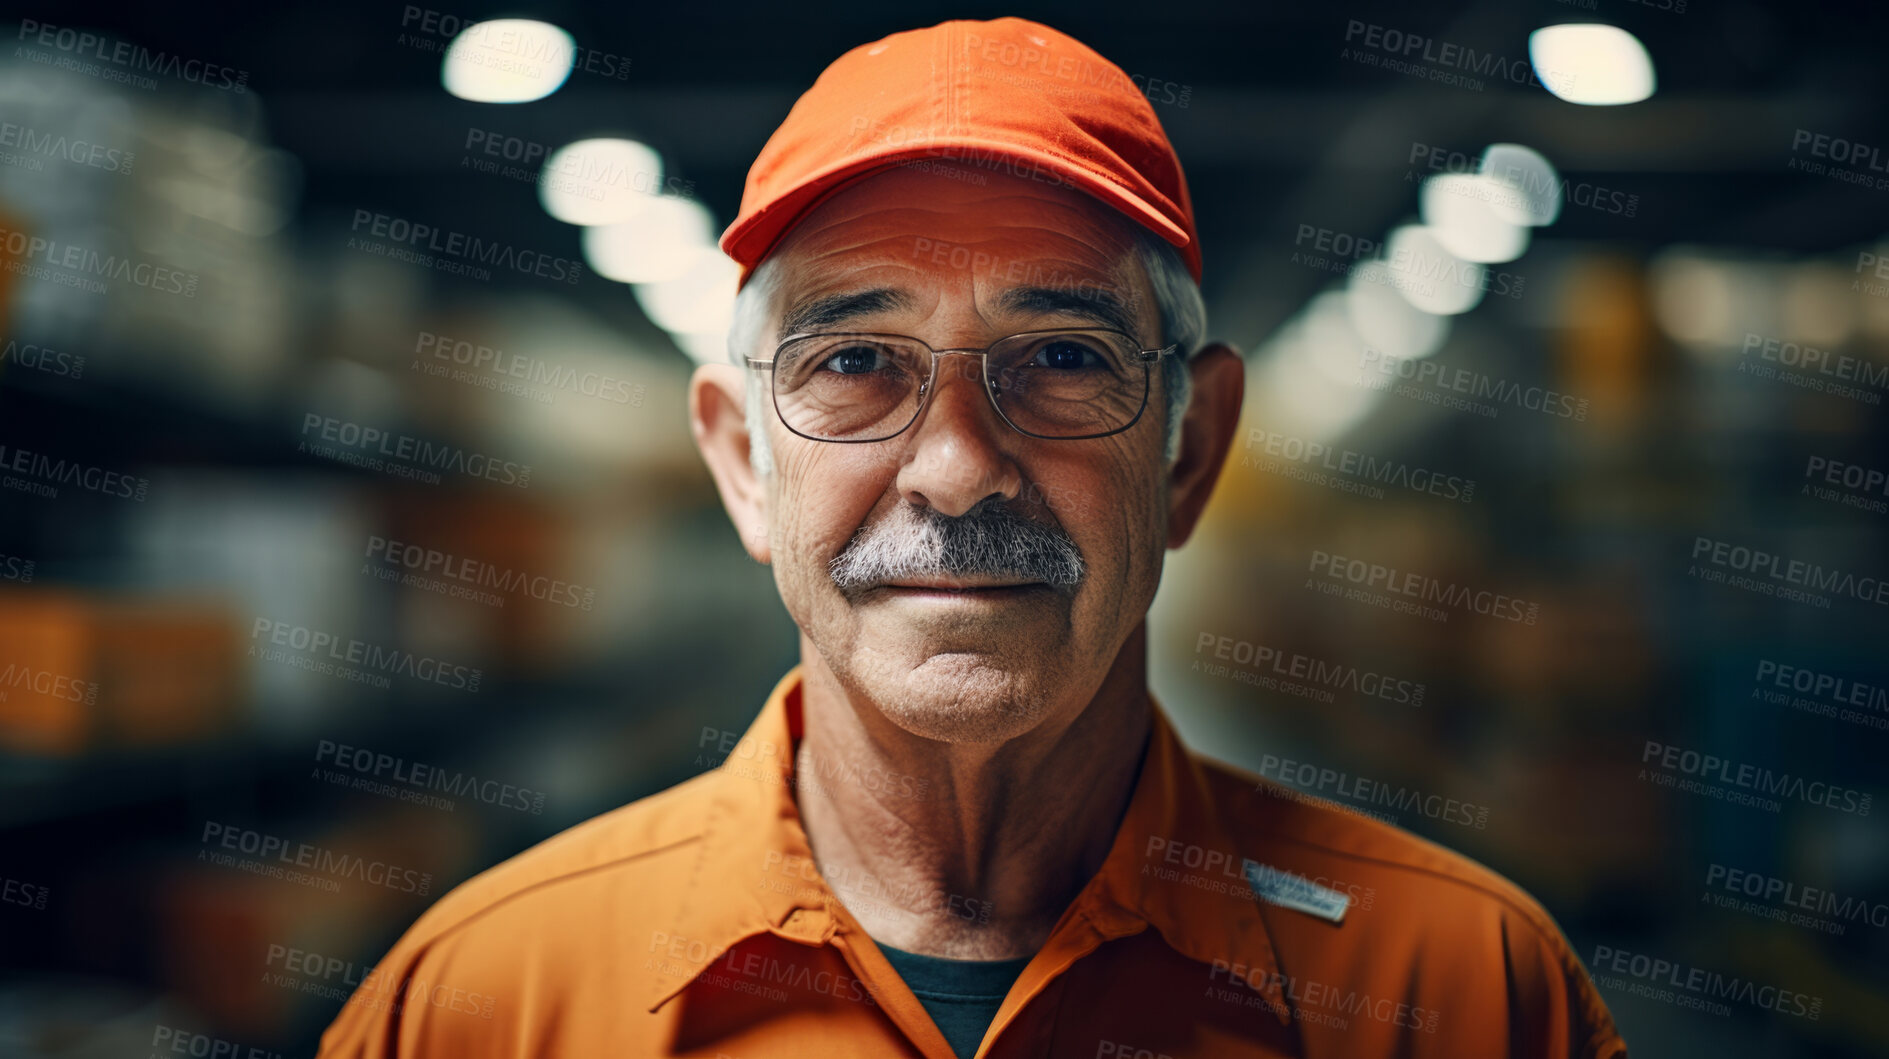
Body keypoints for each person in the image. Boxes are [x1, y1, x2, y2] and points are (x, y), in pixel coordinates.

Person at [319, 17, 1627, 1058]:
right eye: (853, 363)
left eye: (1061, 357)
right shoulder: (477, 1008)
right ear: (740, 464)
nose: (954, 469)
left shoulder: (1467, 994)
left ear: (1188, 448)